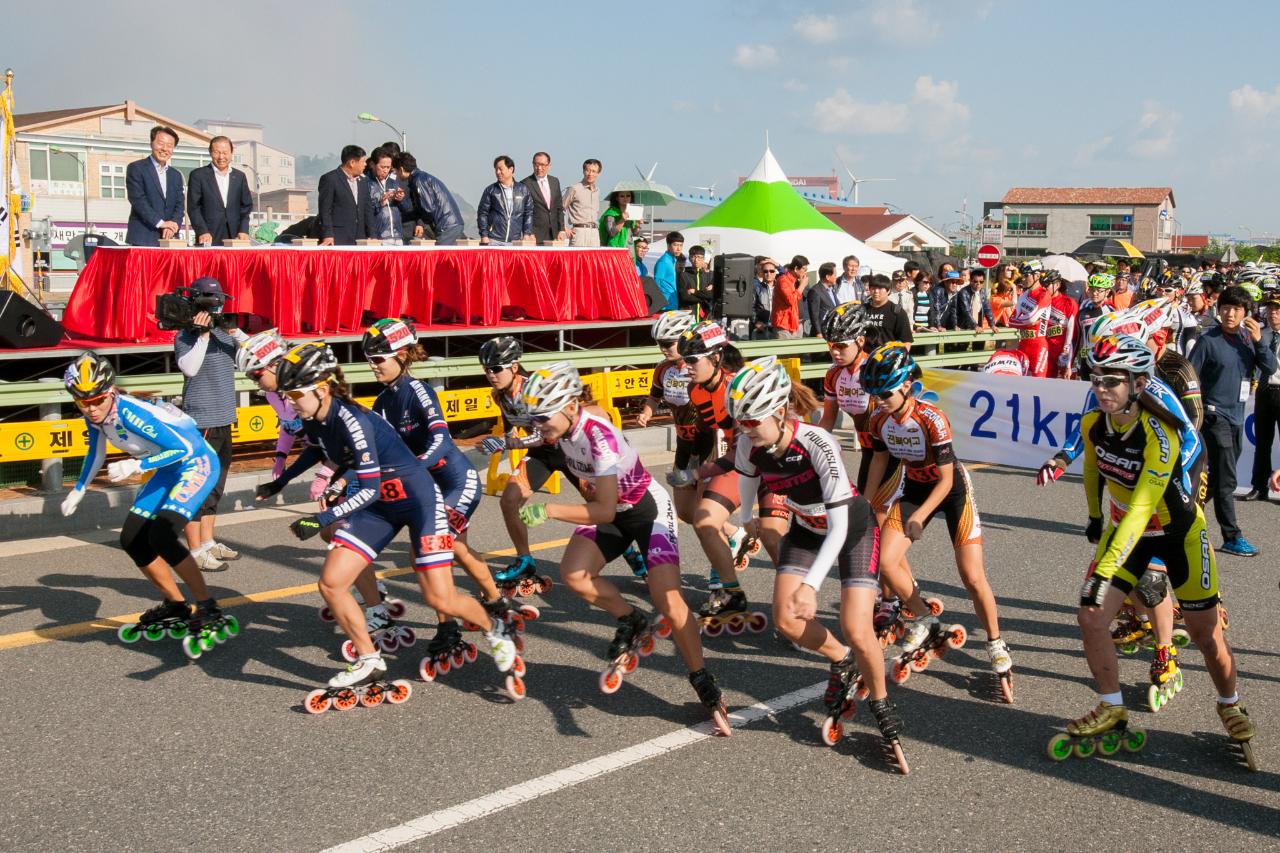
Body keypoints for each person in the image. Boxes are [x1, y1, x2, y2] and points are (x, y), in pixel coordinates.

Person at [260, 343, 520, 705]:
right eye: (285, 395)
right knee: (332, 583)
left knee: (437, 595)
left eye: (294, 395)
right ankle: (369, 660)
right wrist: (282, 480)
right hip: (382, 506)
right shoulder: (313, 416)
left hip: (419, 502)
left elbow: (367, 489)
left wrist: (324, 516)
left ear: (321, 390)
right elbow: (319, 448)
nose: (289, 402)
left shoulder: (355, 420)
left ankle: (496, 628)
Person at [1048, 335, 1253, 766]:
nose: (1101, 388)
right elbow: (1091, 465)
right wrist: (1093, 516)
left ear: (1138, 384)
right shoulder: (1094, 422)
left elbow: (1143, 508)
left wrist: (1104, 564)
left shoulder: (1160, 436)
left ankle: (1230, 702)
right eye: (1096, 379)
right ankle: (1111, 704)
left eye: (1112, 381)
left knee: (1205, 636)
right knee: (1089, 614)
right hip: (1127, 531)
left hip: (1176, 535)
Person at [513, 361, 730, 732]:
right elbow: (540, 436)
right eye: (534, 420)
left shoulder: (600, 440)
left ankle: (702, 679)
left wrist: (550, 508)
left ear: (568, 407)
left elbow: (603, 509)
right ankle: (631, 618)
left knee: (670, 602)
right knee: (574, 575)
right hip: (613, 510)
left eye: (542, 418)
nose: (538, 427)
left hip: (645, 509)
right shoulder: (560, 427)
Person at [727, 356, 908, 772]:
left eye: (752, 421)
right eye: (740, 422)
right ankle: (841, 660)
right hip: (807, 529)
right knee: (786, 621)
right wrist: (744, 522)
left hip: (852, 530)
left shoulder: (816, 442)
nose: (745, 430)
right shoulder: (747, 444)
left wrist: (811, 585)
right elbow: (747, 481)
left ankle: (880, 703)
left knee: (859, 628)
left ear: (777, 411)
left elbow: (841, 525)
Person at [362, 318, 519, 667]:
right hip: (424, 487)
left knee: (428, 551)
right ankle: (496, 601)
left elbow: (441, 439)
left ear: (402, 355)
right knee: (458, 548)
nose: (373, 366)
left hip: (455, 482)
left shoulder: (418, 391)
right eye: (369, 360)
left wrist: (415, 466)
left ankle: (448, 627)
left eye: (379, 359)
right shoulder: (381, 402)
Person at [861, 343, 1014, 697]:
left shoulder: (932, 419)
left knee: (972, 577)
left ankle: (996, 643)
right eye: (874, 394)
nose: (879, 399)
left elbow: (946, 481)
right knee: (884, 560)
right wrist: (867, 504)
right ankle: (926, 619)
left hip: (952, 492)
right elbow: (880, 463)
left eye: (884, 393)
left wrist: (921, 517)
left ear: (905, 386)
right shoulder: (879, 419)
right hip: (914, 489)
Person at [59, 352, 232, 659]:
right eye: (83, 403)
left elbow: (182, 448)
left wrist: (136, 466)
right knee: (132, 539)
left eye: (97, 400)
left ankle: (207, 606)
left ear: (110, 392)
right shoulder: (96, 415)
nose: (91, 409)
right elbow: (94, 452)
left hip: (196, 462)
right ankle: (176, 604)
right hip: (167, 467)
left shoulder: (131, 414)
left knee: (162, 536)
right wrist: (79, 490)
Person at [474, 336, 610, 590]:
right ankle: (525, 559)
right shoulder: (500, 395)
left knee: (600, 509)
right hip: (542, 455)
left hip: (567, 451)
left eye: (496, 368)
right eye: (486, 369)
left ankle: (634, 556)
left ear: (514, 367)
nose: (491, 375)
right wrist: (499, 441)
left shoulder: (531, 390)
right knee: (509, 500)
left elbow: (543, 434)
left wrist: (505, 444)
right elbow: (518, 432)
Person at [677, 321, 789, 624]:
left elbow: (751, 446)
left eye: (691, 360)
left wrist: (710, 468)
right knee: (704, 519)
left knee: (772, 538)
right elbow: (706, 432)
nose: (685, 366)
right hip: (742, 459)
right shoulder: (697, 389)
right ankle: (731, 592)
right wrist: (695, 466)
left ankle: (794, 608)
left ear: (715, 358)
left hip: (773, 462)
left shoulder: (736, 386)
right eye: (683, 359)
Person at [1189, 285, 1278, 556]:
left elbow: (1271, 367)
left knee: (1216, 479)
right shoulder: (1208, 340)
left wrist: (1258, 341)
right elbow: (1188, 378)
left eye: (1236, 309)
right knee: (1227, 479)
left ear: (1246, 313)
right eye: (1226, 308)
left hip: (1237, 416)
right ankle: (1232, 536)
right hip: (1214, 417)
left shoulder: (1248, 339)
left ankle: (1183, 518)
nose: (1230, 314)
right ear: (1218, 310)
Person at [174, 277, 245, 572]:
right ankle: (195, 549)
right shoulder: (185, 335)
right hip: (201, 419)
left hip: (224, 417)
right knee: (197, 485)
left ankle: (208, 541)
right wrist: (202, 335)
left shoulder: (225, 334)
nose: (216, 307)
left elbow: (248, 361)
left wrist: (237, 331)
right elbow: (189, 368)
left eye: (219, 302)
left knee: (216, 486)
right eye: (210, 302)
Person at [1245, 292, 1280, 501]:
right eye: (1270, 309)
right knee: (1262, 441)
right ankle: (1259, 486)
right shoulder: (1261, 334)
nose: (1273, 313)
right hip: (1265, 391)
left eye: (1277, 309)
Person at [187, 136, 252, 246]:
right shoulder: (198, 175)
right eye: (216, 152)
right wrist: (202, 231)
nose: (221, 157)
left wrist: (244, 229)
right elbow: (193, 207)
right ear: (210, 152)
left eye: (225, 152)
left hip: (235, 235)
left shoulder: (239, 176)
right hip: (208, 235)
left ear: (232, 153)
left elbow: (246, 206)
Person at [125, 126, 185, 246]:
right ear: (151, 143)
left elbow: (180, 205)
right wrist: (161, 223)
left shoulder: (176, 175)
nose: (164, 149)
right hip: (143, 237)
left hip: (169, 238)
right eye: (160, 143)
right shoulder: (136, 168)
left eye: (169, 145)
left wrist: (173, 225)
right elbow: (138, 201)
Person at [394, 152, 465, 245]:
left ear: (401, 169)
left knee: (441, 257)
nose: (395, 174)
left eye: (395, 171)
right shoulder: (420, 177)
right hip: (450, 223)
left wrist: (420, 223)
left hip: (447, 226)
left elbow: (427, 208)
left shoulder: (418, 180)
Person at [317, 145, 375, 245]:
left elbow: (368, 209)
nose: (365, 164)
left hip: (360, 238)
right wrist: (328, 235)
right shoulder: (330, 179)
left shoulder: (363, 181)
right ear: (352, 163)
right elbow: (325, 210)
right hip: (338, 237)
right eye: (363, 161)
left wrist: (372, 235)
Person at [477, 155, 533, 245]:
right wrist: (484, 235)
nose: (498, 172)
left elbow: (528, 213)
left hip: (515, 241)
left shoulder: (523, 190)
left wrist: (527, 233)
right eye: (496, 169)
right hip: (494, 240)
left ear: (511, 169)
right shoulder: (491, 190)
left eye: (500, 169)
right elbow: (482, 213)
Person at [520, 151, 566, 243]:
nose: (539, 168)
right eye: (536, 164)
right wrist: (529, 232)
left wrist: (561, 229)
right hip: (535, 235)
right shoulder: (525, 184)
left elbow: (559, 207)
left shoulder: (555, 181)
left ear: (549, 165)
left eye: (542, 165)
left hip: (555, 234)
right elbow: (523, 211)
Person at [366, 147, 405, 243]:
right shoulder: (366, 183)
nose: (385, 170)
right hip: (378, 237)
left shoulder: (394, 181)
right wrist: (380, 203)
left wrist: (401, 199)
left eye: (388, 167)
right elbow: (364, 211)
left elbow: (406, 208)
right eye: (382, 167)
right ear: (372, 165)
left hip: (397, 235)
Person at [861, 274, 913, 344]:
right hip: (866, 354)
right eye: (873, 288)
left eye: (880, 288)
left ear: (888, 291)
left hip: (888, 353)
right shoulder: (862, 310)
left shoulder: (897, 312)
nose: (876, 291)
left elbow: (906, 341)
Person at [563, 159, 602, 247]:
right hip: (579, 232)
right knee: (576, 260)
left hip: (595, 233)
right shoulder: (574, 188)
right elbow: (559, 209)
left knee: (594, 260)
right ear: (583, 171)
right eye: (587, 170)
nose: (590, 174)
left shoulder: (597, 191)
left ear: (598, 173)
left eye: (593, 171)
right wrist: (564, 227)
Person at [772, 255, 809, 339]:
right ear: (796, 268)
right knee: (785, 352)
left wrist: (801, 284)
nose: (805, 272)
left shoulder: (797, 281)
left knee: (797, 352)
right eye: (804, 269)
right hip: (784, 326)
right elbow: (791, 300)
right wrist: (802, 285)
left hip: (797, 324)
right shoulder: (783, 280)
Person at [678, 245, 715, 320]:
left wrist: (695, 292)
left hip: (706, 316)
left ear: (703, 259)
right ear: (689, 258)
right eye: (693, 257)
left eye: (699, 257)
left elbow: (712, 295)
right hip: (688, 316)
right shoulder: (683, 275)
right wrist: (705, 296)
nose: (696, 260)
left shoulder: (710, 275)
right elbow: (685, 297)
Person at [805, 262, 841, 338]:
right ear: (827, 277)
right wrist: (818, 332)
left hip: (832, 331)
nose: (836, 277)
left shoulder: (832, 289)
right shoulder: (815, 291)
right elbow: (814, 315)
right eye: (834, 274)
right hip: (822, 333)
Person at [653, 231, 684, 312]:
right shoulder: (664, 261)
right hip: (665, 306)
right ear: (668, 245)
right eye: (675, 245)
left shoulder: (672, 260)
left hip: (672, 303)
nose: (679, 248)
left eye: (681, 245)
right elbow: (656, 284)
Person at [751, 258, 778, 339]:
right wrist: (756, 322)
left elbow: (787, 273)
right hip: (762, 328)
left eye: (771, 271)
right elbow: (751, 307)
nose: (768, 273)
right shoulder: (757, 288)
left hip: (778, 327)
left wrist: (777, 264)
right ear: (762, 273)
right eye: (765, 271)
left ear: (775, 272)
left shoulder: (781, 288)